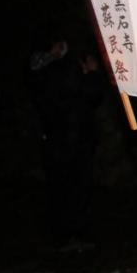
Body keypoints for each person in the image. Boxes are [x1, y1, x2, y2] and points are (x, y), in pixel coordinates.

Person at [28, 35, 102, 251]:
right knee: (73, 186)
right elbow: (88, 94)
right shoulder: (58, 69)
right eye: (59, 45)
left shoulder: (39, 70)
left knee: (64, 187)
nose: (63, 49)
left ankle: (68, 234)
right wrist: (92, 74)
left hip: (60, 137)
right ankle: (71, 235)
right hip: (70, 138)